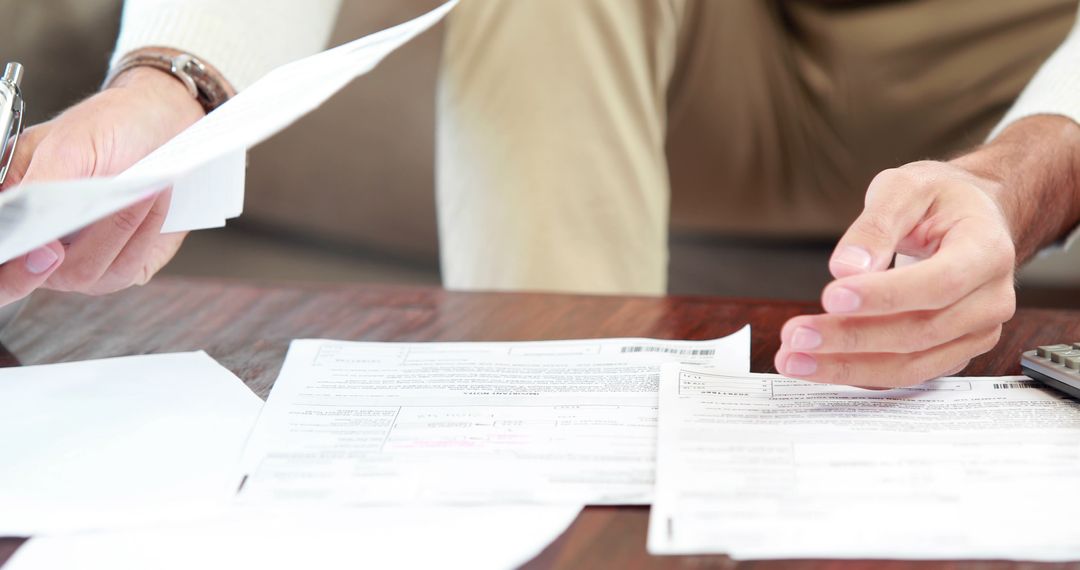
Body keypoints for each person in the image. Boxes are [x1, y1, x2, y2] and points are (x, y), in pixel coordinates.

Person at [2, 0, 1078, 389]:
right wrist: (176, 80)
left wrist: (1019, 177)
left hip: (1018, 52)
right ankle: (553, 442)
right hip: (724, 51)